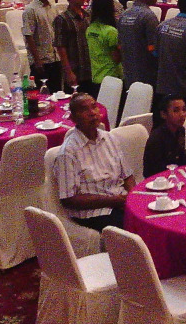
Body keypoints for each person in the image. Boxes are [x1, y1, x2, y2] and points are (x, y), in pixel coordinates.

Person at [51, 93, 135, 231]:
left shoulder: (110, 138)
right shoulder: (68, 152)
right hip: (93, 212)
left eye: (94, 107)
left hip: (120, 201)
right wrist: (114, 201)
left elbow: (127, 175)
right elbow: (69, 199)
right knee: (135, 228)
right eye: (84, 109)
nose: (92, 113)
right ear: (73, 118)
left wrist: (132, 199)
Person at [118, 0, 160, 91]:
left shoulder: (124, 14)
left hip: (128, 74)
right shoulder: (148, 16)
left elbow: (120, 45)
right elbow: (153, 48)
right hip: (146, 77)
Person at [54, 0, 96, 96]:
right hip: (75, 69)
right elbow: (60, 47)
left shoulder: (87, 16)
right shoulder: (62, 19)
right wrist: (68, 72)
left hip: (90, 69)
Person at [22, 0, 60, 93]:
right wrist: (37, 60)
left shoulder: (53, 7)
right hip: (41, 60)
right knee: (42, 94)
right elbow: (29, 36)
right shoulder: (30, 10)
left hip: (55, 57)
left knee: (56, 92)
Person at [142, 95, 186, 177]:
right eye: (176, 111)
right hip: (158, 180)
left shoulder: (181, 130)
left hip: (175, 175)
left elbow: (181, 161)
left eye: (184, 110)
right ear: (163, 114)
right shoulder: (156, 138)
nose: (182, 114)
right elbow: (153, 172)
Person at [86, 0, 122, 84]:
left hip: (96, 75)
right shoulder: (111, 31)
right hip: (111, 77)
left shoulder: (90, 29)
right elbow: (116, 58)